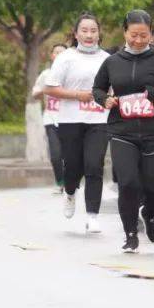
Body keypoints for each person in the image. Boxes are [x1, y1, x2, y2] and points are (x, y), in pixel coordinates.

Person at [92, 10, 154, 253]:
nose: (139, 40)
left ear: (151, 35)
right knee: (129, 183)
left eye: (144, 35)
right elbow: (97, 88)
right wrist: (105, 100)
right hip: (122, 131)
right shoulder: (112, 61)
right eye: (134, 35)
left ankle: (150, 212)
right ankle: (130, 234)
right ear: (125, 33)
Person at [44, 14, 111, 233]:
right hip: (70, 119)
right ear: (76, 34)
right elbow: (50, 88)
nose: (89, 35)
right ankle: (70, 192)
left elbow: (114, 88)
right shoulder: (66, 57)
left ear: (99, 33)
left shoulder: (107, 59)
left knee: (94, 165)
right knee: (72, 166)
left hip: (98, 120)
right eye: (84, 30)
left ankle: (92, 216)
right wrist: (77, 95)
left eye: (93, 30)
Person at [31, 43, 68, 193]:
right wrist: (42, 91)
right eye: (56, 52)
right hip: (51, 119)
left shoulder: (73, 74)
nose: (59, 55)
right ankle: (60, 182)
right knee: (55, 155)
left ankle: (70, 181)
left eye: (62, 52)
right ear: (52, 56)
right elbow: (35, 93)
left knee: (69, 155)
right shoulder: (46, 74)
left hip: (70, 120)